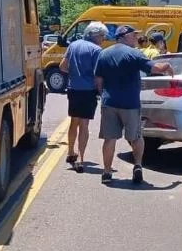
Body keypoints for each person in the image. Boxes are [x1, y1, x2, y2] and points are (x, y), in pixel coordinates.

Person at [94, 25, 174, 184]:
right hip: (130, 104)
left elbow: (98, 80)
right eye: (133, 35)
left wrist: (104, 95)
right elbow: (156, 68)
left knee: (109, 139)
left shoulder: (103, 54)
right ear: (123, 36)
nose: (136, 38)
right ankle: (137, 165)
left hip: (109, 103)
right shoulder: (134, 54)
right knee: (136, 137)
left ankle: (107, 172)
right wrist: (167, 66)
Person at [59, 21, 107, 173]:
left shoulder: (73, 45)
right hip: (88, 91)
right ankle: (80, 158)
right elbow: (98, 74)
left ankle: (70, 152)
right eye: (102, 36)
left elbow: (62, 66)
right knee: (84, 124)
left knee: (74, 121)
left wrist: (74, 75)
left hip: (73, 88)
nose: (103, 39)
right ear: (95, 35)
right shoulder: (97, 50)